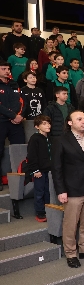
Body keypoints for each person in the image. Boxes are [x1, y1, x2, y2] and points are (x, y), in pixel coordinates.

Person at [51, 110, 84, 268]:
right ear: (70, 123)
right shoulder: (61, 140)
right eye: (79, 119)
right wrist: (60, 190)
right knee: (71, 223)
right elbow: (56, 168)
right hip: (72, 188)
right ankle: (70, 253)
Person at [0, 60, 25, 192]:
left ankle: (21, 180)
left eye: (8, 69)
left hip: (16, 122)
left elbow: (22, 101)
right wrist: (12, 115)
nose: (7, 71)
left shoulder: (14, 84)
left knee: (20, 150)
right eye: (3, 69)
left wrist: (19, 115)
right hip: (2, 121)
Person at [25, 115, 52, 222]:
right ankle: (40, 212)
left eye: (48, 123)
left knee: (48, 191)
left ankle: (49, 210)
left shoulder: (49, 138)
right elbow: (31, 156)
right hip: (39, 171)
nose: (48, 125)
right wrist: (35, 170)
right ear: (37, 126)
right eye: (44, 123)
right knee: (39, 192)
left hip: (49, 170)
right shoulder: (35, 138)